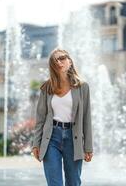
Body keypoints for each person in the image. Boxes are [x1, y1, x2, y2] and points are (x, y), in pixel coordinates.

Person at [31, 48, 93, 186]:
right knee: (54, 183)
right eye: (55, 60)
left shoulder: (83, 87)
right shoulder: (47, 87)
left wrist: (88, 147)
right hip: (51, 137)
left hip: (73, 138)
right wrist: (36, 143)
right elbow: (40, 118)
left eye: (62, 58)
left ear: (70, 61)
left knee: (73, 182)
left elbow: (86, 118)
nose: (59, 62)